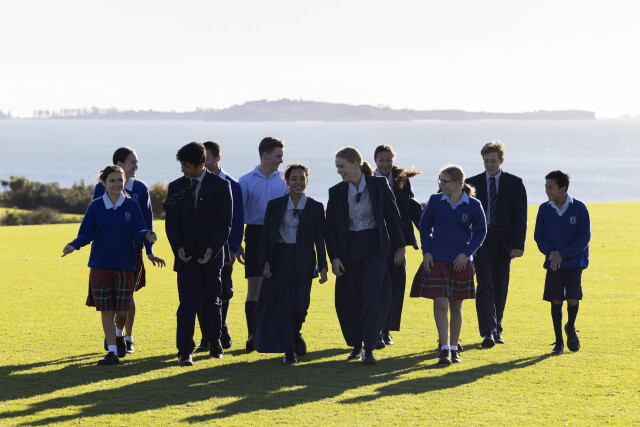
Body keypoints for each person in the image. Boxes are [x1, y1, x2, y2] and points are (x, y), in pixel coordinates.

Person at [63, 165, 157, 365]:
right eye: (112, 181)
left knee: (122, 311)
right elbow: (86, 234)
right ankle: (112, 351)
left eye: (120, 180)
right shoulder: (95, 207)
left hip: (125, 265)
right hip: (101, 265)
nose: (116, 184)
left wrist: (147, 235)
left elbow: (138, 230)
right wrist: (73, 245)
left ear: (124, 181)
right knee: (106, 309)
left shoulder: (132, 206)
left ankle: (118, 334)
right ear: (104, 183)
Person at [326, 146, 405, 365]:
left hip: (374, 248)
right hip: (348, 249)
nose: (339, 171)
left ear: (355, 164)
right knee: (350, 298)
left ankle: (369, 347)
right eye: (337, 167)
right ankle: (356, 345)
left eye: (341, 166)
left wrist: (400, 246)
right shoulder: (336, 192)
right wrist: (334, 257)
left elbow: (393, 216)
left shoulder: (378, 185)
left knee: (372, 295)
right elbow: (330, 229)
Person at [164, 142, 232, 366]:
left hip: (212, 256)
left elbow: (224, 223)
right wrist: (178, 248)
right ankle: (185, 351)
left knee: (212, 302)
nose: (182, 169)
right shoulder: (175, 187)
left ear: (200, 164)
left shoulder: (221, 186)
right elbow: (171, 223)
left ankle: (215, 344)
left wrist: (213, 249)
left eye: (186, 166)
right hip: (186, 258)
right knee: (187, 303)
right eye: (181, 165)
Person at [410, 165, 486, 365]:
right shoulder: (435, 201)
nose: (441, 184)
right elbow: (424, 226)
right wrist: (426, 252)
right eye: (440, 180)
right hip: (437, 259)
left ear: (459, 183)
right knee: (441, 303)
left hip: (461, 262)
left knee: (456, 305)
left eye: (445, 181)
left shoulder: (474, 204)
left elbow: (481, 232)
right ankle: (444, 348)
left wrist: (466, 254)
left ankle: (453, 348)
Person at [93, 147, 165, 355]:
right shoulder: (101, 187)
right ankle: (114, 336)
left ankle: (127, 337)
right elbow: (96, 219)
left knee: (127, 296)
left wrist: (150, 250)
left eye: (137, 162)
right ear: (119, 164)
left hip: (133, 251)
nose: (136, 166)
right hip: (108, 253)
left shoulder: (141, 188)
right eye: (132, 162)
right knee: (110, 298)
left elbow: (147, 222)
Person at [253, 164, 328, 364]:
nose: (298, 182)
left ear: (307, 180)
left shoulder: (315, 207)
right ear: (286, 181)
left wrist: (323, 267)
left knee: (301, 306)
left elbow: (320, 240)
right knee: (285, 306)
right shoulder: (275, 205)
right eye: (294, 179)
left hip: (305, 261)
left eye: (302, 178)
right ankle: (288, 350)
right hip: (280, 259)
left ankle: (295, 334)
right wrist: (266, 263)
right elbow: (266, 236)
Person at [466, 141, 527, 348]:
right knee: (484, 284)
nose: (489, 165)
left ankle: (497, 327)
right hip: (480, 240)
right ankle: (488, 332)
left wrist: (518, 244)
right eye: (486, 161)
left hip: (504, 240)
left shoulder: (515, 183)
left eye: (493, 161)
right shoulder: (471, 183)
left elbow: (520, 217)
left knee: (500, 286)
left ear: (501, 160)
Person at [194, 141, 245, 352]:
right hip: (199, 249)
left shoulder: (232, 184)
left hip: (223, 250)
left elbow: (237, 219)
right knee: (200, 293)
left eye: (206, 158)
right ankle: (206, 337)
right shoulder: (194, 182)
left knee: (223, 292)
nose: (203, 162)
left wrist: (233, 248)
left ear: (217, 158)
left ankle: (221, 328)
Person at [238, 137, 287, 352]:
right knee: (255, 286)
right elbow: (238, 216)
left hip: (279, 236)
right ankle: (253, 334)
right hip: (255, 235)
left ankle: (275, 333)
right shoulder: (246, 181)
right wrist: (236, 243)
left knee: (278, 286)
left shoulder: (285, 181)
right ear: (265, 155)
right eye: (278, 156)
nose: (281, 160)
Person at [534, 170, 590, 355]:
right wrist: (552, 254)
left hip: (574, 262)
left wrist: (563, 255)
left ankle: (571, 328)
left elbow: (584, 237)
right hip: (553, 263)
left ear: (563, 189)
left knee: (573, 298)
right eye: (546, 187)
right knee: (556, 300)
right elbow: (539, 236)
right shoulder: (544, 209)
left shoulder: (580, 208)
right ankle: (558, 343)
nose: (547, 191)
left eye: (551, 187)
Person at [373, 144, 423, 347]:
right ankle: (375, 330)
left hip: (398, 242)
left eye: (389, 160)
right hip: (374, 241)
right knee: (376, 287)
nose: (385, 164)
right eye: (381, 160)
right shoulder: (368, 179)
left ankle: (386, 331)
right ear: (375, 161)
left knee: (395, 287)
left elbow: (411, 207)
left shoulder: (402, 180)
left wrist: (427, 232)